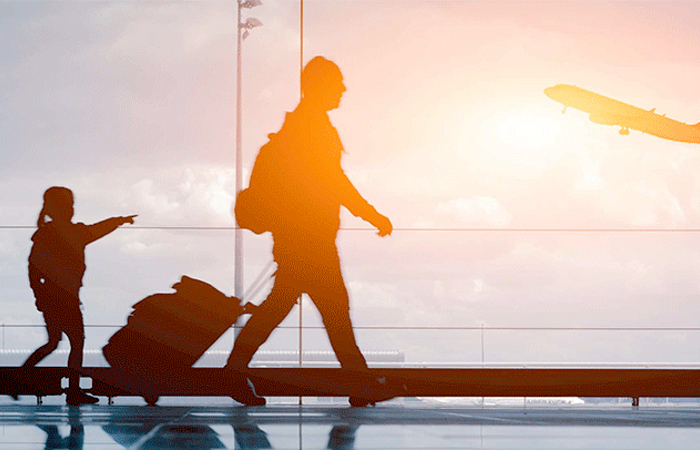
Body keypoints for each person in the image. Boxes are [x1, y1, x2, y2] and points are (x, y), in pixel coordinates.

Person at [227, 56, 393, 406]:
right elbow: (336, 183)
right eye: (337, 83)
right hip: (310, 240)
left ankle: (235, 370)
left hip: (297, 238)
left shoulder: (300, 127)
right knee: (333, 309)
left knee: (288, 307)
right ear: (320, 87)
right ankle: (360, 384)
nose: (343, 89)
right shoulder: (314, 129)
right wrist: (371, 214)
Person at [22, 186, 136, 405]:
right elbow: (98, 230)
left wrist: (39, 296)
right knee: (76, 342)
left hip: (51, 298)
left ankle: (22, 376)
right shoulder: (73, 234)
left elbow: (33, 269)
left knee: (54, 342)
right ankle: (73, 390)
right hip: (65, 298)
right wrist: (119, 220)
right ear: (65, 209)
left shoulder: (45, 234)